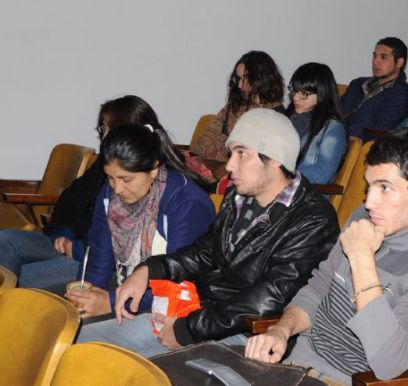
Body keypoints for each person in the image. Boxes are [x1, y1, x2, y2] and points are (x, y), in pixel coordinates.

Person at [78, 109, 339, 357]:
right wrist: (149, 270)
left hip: (247, 336)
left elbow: (265, 300)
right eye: (231, 153)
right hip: (199, 314)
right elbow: (204, 252)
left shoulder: (313, 220)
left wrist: (186, 329)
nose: (229, 166)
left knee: (112, 364)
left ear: (275, 159)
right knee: (78, 341)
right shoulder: (239, 196)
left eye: (241, 153)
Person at [245, 128, 408, 385]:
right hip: (294, 367)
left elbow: (390, 360)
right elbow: (318, 288)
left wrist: (362, 259)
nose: (370, 202)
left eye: (385, 188)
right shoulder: (363, 218)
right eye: (370, 186)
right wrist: (280, 331)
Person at [0, 96, 161, 293]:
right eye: (102, 129)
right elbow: (72, 198)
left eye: (109, 129)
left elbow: (122, 239)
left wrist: (78, 247)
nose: (104, 136)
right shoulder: (105, 162)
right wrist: (64, 232)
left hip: (96, 260)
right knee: (5, 240)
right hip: (70, 241)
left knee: (20, 279)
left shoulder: (146, 176)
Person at [67, 123, 216, 319]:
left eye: (126, 179)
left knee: (82, 341)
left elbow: (182, 280)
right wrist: (87, 297)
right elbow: (98, 258)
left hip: (176, 308)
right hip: (127, 288)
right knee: (63, 322)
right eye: (110, 178)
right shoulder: (109, 195)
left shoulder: (186, 203)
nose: (117, 189)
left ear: (154, 168)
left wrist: (110, 303)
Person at [192, 51, 285, 177]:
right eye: (238, 79)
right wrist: (233, 149)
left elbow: (256, 158)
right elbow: (204, 142)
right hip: (214, 169)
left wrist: (225, 145)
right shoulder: (235, 105)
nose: (240, 85)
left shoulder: (275, 115)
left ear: (261, 79)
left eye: (245, 79)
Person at [285, 62, 347, 184]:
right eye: (294, 90)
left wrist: (282, 170)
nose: (295, 98)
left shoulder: (333, 129)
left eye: (303, 93)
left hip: (307, 197)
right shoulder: (287, 119)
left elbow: (322, 174)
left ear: (321, 94)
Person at [341, 37, 408, 140]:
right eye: (375, 56)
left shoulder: (401, 94)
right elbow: (337, 112)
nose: (376, 62)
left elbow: (379, 131)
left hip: (361, 146)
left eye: (383, 57)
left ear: (399, 62)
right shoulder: (357, 84)